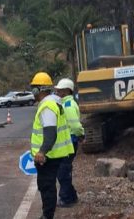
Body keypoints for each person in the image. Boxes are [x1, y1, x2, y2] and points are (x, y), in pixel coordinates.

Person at [29, 72, 75, 219]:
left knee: (47, 187)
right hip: (55, 154)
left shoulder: (47, 106)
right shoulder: (55, 102)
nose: (32, 92)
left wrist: (42, 151)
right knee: (48, 185)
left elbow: (50, 132)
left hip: (48, 156)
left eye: (33, 88)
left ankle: (47, 216)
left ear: (39, 90)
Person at [55, 78, 84, 208]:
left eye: (60, 90)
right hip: (68, 142)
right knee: (63, 170)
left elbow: (75, 125)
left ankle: (66, 198)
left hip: (70, 142)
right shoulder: (66, 103)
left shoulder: (67, 105)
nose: (57, 91)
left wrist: (80, 134)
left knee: (63, 171)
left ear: (67, 90)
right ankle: (72, 196)